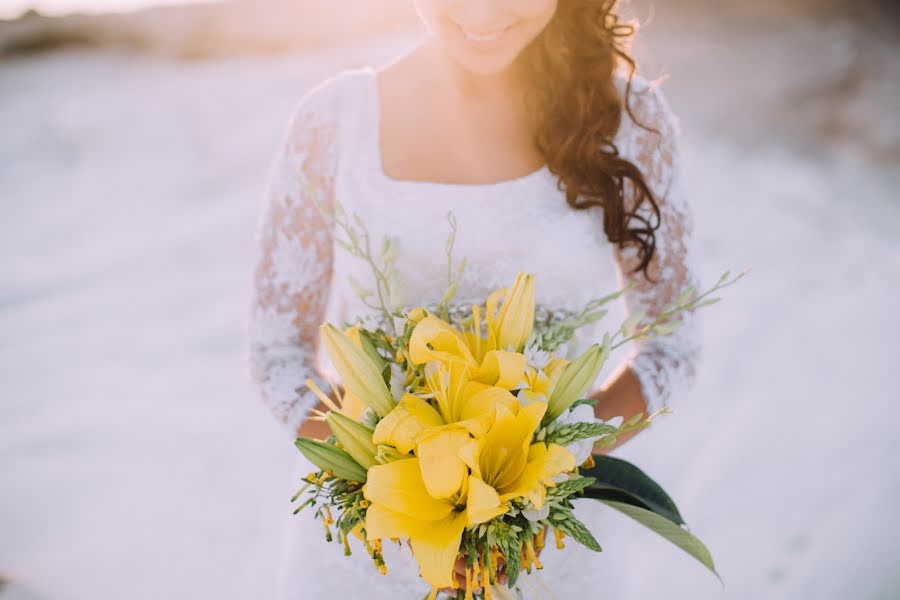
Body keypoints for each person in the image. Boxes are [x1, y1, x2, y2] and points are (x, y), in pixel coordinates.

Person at [247, 0, 700, 597]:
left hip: (551, 553)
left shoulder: (630, 119)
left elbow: (672, 347)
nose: (484, 10)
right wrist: (392, 486)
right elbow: (279, 354)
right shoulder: (332, 123)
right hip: (367, 558)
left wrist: (540, 480)